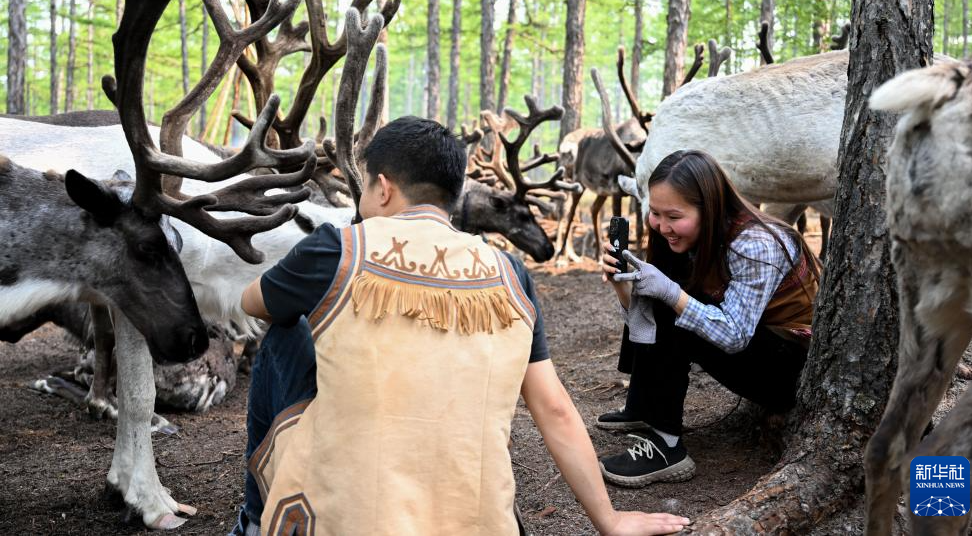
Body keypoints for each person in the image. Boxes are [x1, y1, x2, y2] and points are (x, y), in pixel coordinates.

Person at [228, 116, 689, 536]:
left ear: (383, 188)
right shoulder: (509, 271)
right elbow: (556, 410)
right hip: (479, 522)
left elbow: (255, 303)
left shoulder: (338, 247)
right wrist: (608, 519)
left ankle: (253, 519)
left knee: (284, 330)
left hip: (341, 520)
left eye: (364, 188)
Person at [597, 149, 820, 488]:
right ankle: (643, 405)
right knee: (659, 285)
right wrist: (621, 286)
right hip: (762, 345)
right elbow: (648, 317)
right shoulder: (695, 234)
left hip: (793, 369)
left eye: (673, 215)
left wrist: (671, 294)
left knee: (670, 298)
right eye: (654, 213)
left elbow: (734, 334)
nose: (661, 225)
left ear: (710, 206)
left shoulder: (755, 243)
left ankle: (667, 446)